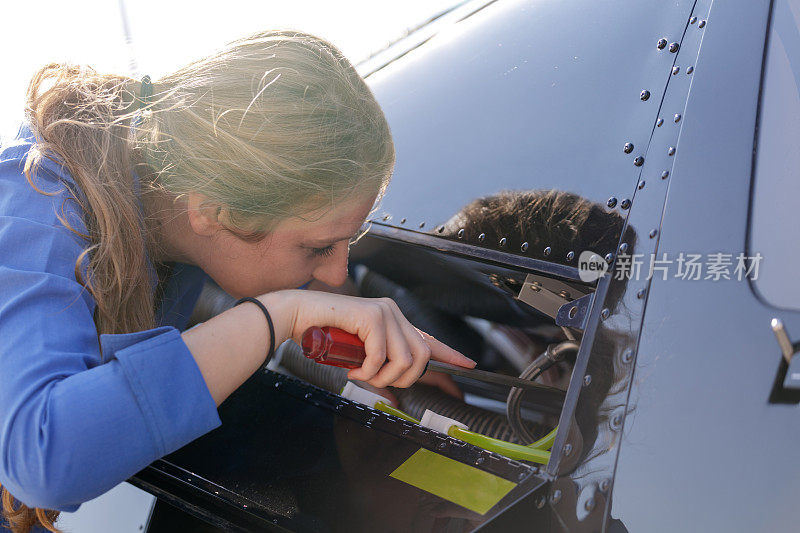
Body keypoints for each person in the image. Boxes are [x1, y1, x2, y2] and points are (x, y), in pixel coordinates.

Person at [0, 30, 475, 533]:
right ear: (213, 212)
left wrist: (366, 335)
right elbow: (41, 460)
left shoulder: (165, 191)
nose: (338, 272)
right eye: (318, 249)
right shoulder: (33, 215)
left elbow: (304, 265)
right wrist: (278, 317)